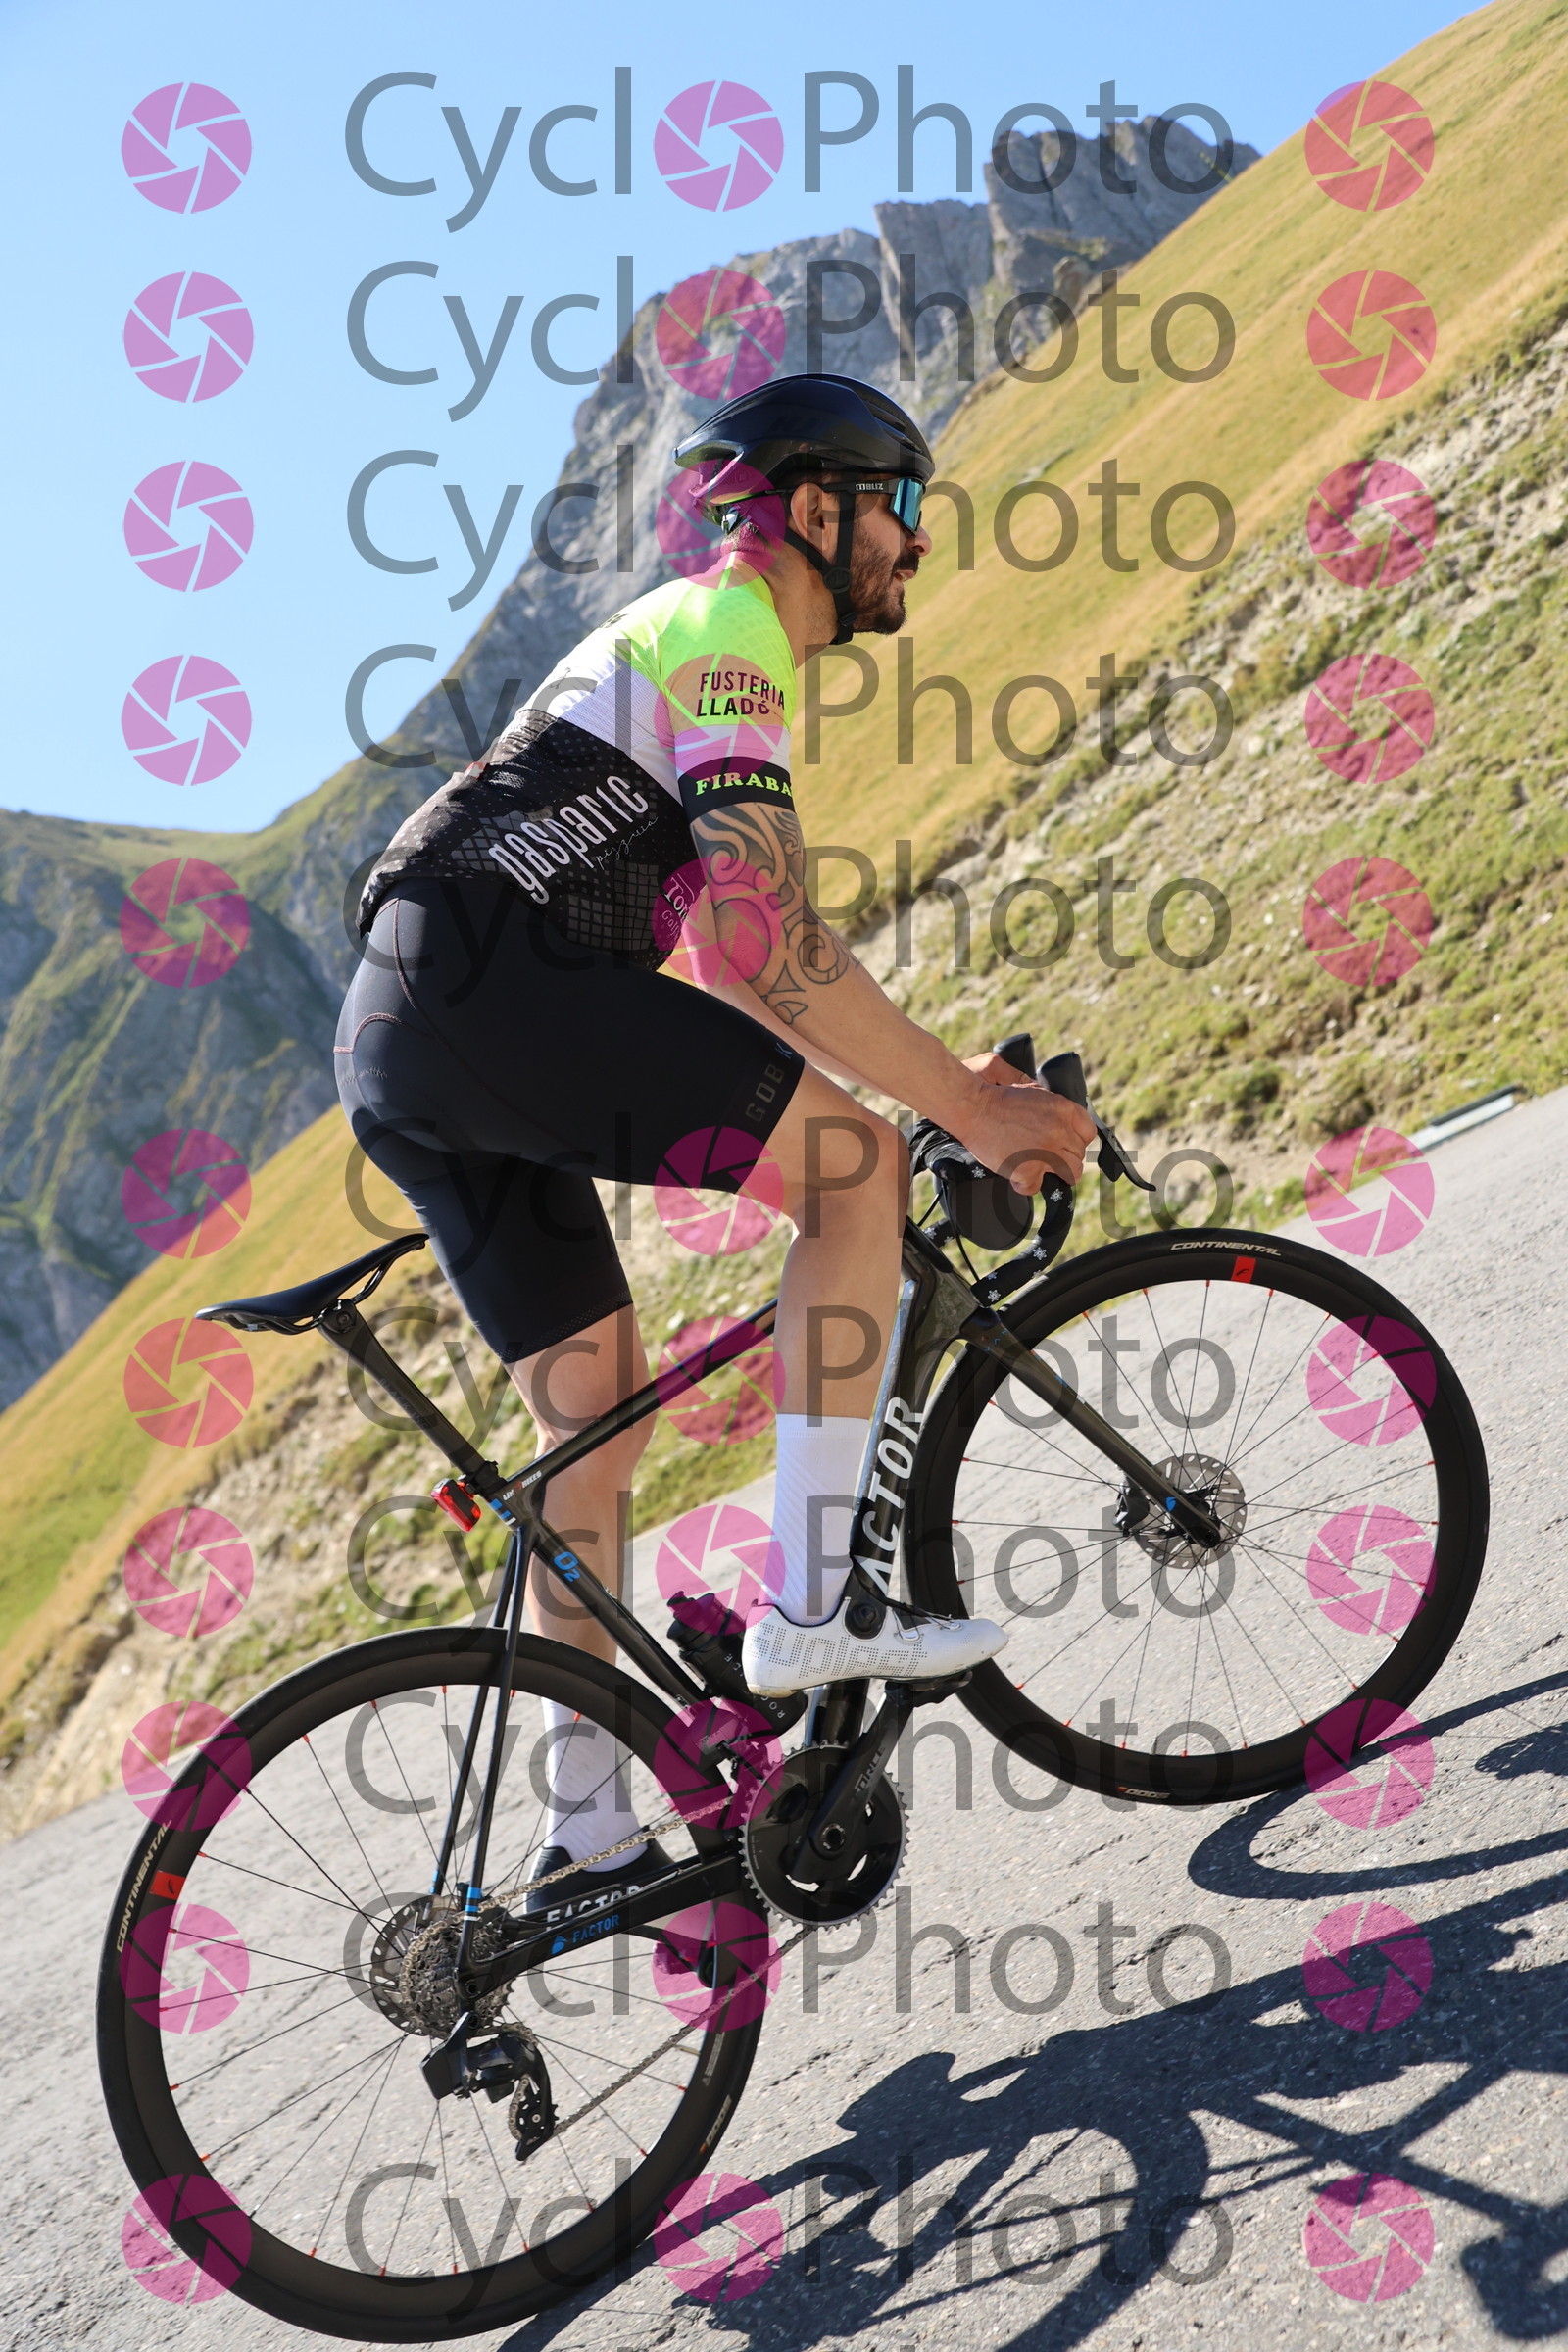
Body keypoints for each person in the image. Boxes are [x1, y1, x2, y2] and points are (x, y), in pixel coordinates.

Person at [336, 372, 1094, 1904]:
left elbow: (735, 968)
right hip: (500, 990)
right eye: (902, 506)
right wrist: (966, 1112)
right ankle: (816, 1605)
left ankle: (587, 1827)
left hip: (404, 1030)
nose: (918, 541)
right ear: (814, 509)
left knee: (597, 1417)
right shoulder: (730, 631)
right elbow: (762, 938)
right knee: (856, 1175)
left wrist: (937, 1076)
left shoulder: (660, 647)